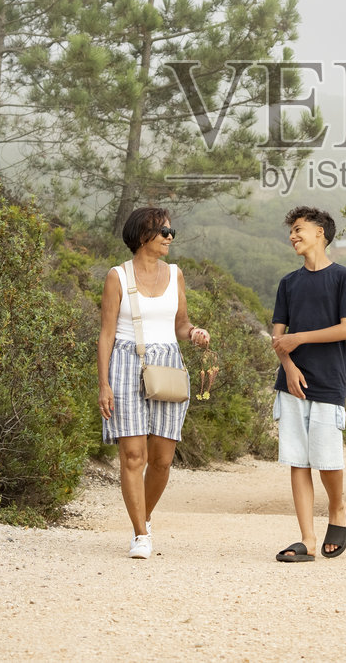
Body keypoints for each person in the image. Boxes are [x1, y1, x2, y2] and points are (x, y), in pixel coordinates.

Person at [98, 207, 211, 559]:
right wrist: (103, 384)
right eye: (163, 231)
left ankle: (143, 517)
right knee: (134, 456)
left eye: (171, 231)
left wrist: (193, 333)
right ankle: (140, 534)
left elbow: (181, 323)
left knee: (162, 459)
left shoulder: (175, 274)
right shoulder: (117, 276)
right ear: (142, 235)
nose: (170, 237)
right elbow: (106, 335)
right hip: (125, 363)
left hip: (168, 366)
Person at [270, 205, 346, 562]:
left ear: (319, 232)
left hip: (328, 381)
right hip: (292, 383)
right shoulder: (288, 283)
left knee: (327, 459)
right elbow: (277, 337)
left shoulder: (344, 278)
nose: (292, 236)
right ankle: (307, 540)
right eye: (291, 231)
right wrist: (288, 366)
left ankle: (338, 508)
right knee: (298, 460)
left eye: (298, 229)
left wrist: (300, 338)